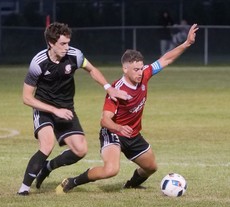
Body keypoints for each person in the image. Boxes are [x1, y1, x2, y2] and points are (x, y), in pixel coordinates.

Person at [56, 24, 199, 193]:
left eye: (141, 68)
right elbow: (105, 120)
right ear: (125, 69)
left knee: (151, 167)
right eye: (136, 70)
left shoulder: (145, 74)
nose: (140, 72)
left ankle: (131, 185)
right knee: (111, 170)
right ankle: (73, 181)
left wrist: (187, 43)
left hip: (132, 133)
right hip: (112, 133)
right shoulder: (117, 90)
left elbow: (166, 59)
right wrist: (118, 128)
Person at [17, 22, 128, 196]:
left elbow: (91, 69)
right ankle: (23, 189)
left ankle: (48, 167)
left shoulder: (74, 55)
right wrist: (54, 111)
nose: (67, 47)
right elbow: (26, 98)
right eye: (63, 43)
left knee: (80, 150)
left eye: (68, 43)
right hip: (44, 109)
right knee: (47, 145)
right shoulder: (38, 63)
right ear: (51, 43)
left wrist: (108, 87)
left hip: (66, 109)